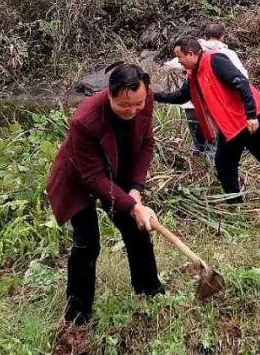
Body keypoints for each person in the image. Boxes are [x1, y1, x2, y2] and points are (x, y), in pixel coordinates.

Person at [46, 63, 163, 343]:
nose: (133, 110)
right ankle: (77, 318)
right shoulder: (85, 120)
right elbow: (92, 177)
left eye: (138, 104)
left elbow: (147, 144)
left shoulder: (143, 101)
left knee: (137, 229)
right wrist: (132, 205)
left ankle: (150, 291)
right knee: (88, 245)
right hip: (79, 178)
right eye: (125, 105)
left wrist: (135, 190)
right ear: (109, 95)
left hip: (116, 172)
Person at [158, 37, 260, 205]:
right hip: (230, 127)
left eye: (179, 56)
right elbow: (181, 96)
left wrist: (251, 115)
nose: (179, 61)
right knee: (224, 165)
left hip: (250, 119)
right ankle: (236, 205)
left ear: (190, 54)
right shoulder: (193, 75)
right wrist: (152, 95)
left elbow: (241, 83)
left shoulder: (215, 60)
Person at [162, 24, 247, 157]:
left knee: (197, 146)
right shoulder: (226, 54)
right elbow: (242, 77)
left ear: (205, 36)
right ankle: (212, 173)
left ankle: (196, 172)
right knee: (214, 146)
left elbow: (168, 67)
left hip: (191, 107)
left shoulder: (192, 51)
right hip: (211, 109)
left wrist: (185, 70)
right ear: (222, 36)